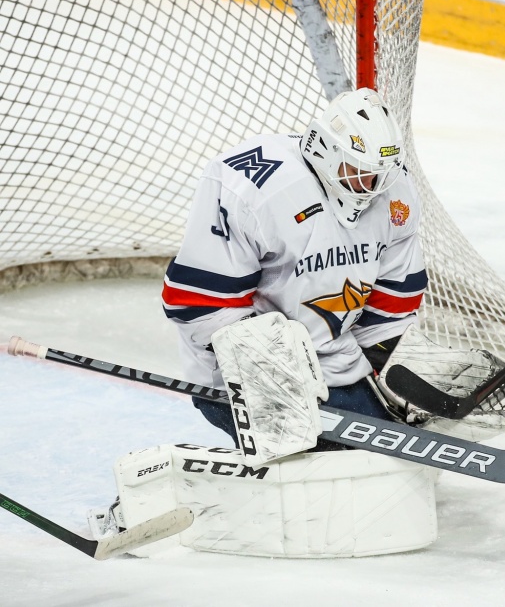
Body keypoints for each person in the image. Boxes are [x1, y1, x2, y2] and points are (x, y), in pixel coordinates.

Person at [161, 87, 427, 445]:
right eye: (358, 170)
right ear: (326, 151)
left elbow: (391, 305)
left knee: (388, 452)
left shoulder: (394, 192)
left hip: (337, 365)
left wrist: (400, 369)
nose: (371, 186)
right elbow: (197, 301)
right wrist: (276, 368)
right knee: (332, 465)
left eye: (379, 174)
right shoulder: (253, 187)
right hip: (241, 376)